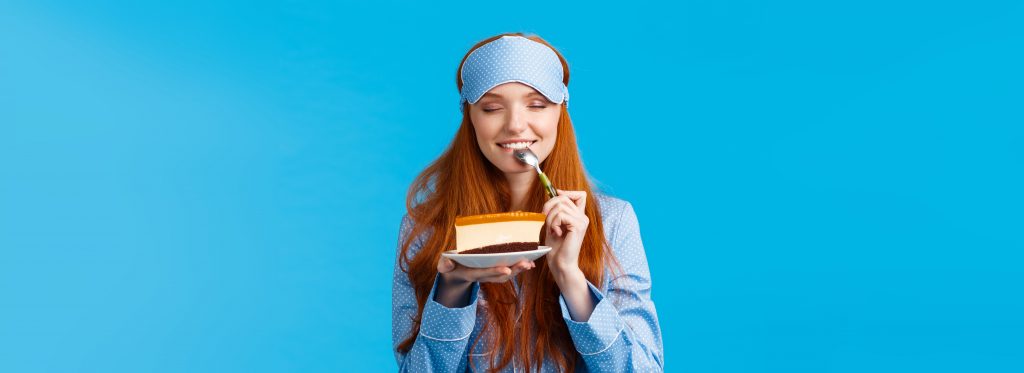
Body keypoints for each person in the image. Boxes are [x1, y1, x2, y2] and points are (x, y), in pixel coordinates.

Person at [392, 33, 663, 372]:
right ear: (470, 117)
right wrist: (453, 291)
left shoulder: (613, 221)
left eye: (537, 105)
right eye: (492, 107)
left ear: (560, 112)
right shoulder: (424, 228)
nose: (516, 124)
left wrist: (571, 279)